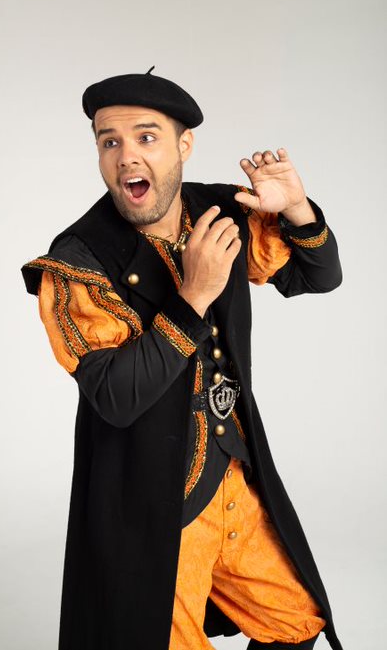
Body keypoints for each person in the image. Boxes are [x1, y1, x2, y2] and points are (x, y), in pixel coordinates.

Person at [21, 67, 343, 650]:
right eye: (109, 141)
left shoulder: (222, 211)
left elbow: (317, 277)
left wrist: (297, 208)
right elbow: (116, 397)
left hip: (234, 477)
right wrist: (192, 296)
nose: (126, 156)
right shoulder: (80, 259)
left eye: (146, 137)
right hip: (150, 505)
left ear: (183, 145)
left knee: (296, 621)